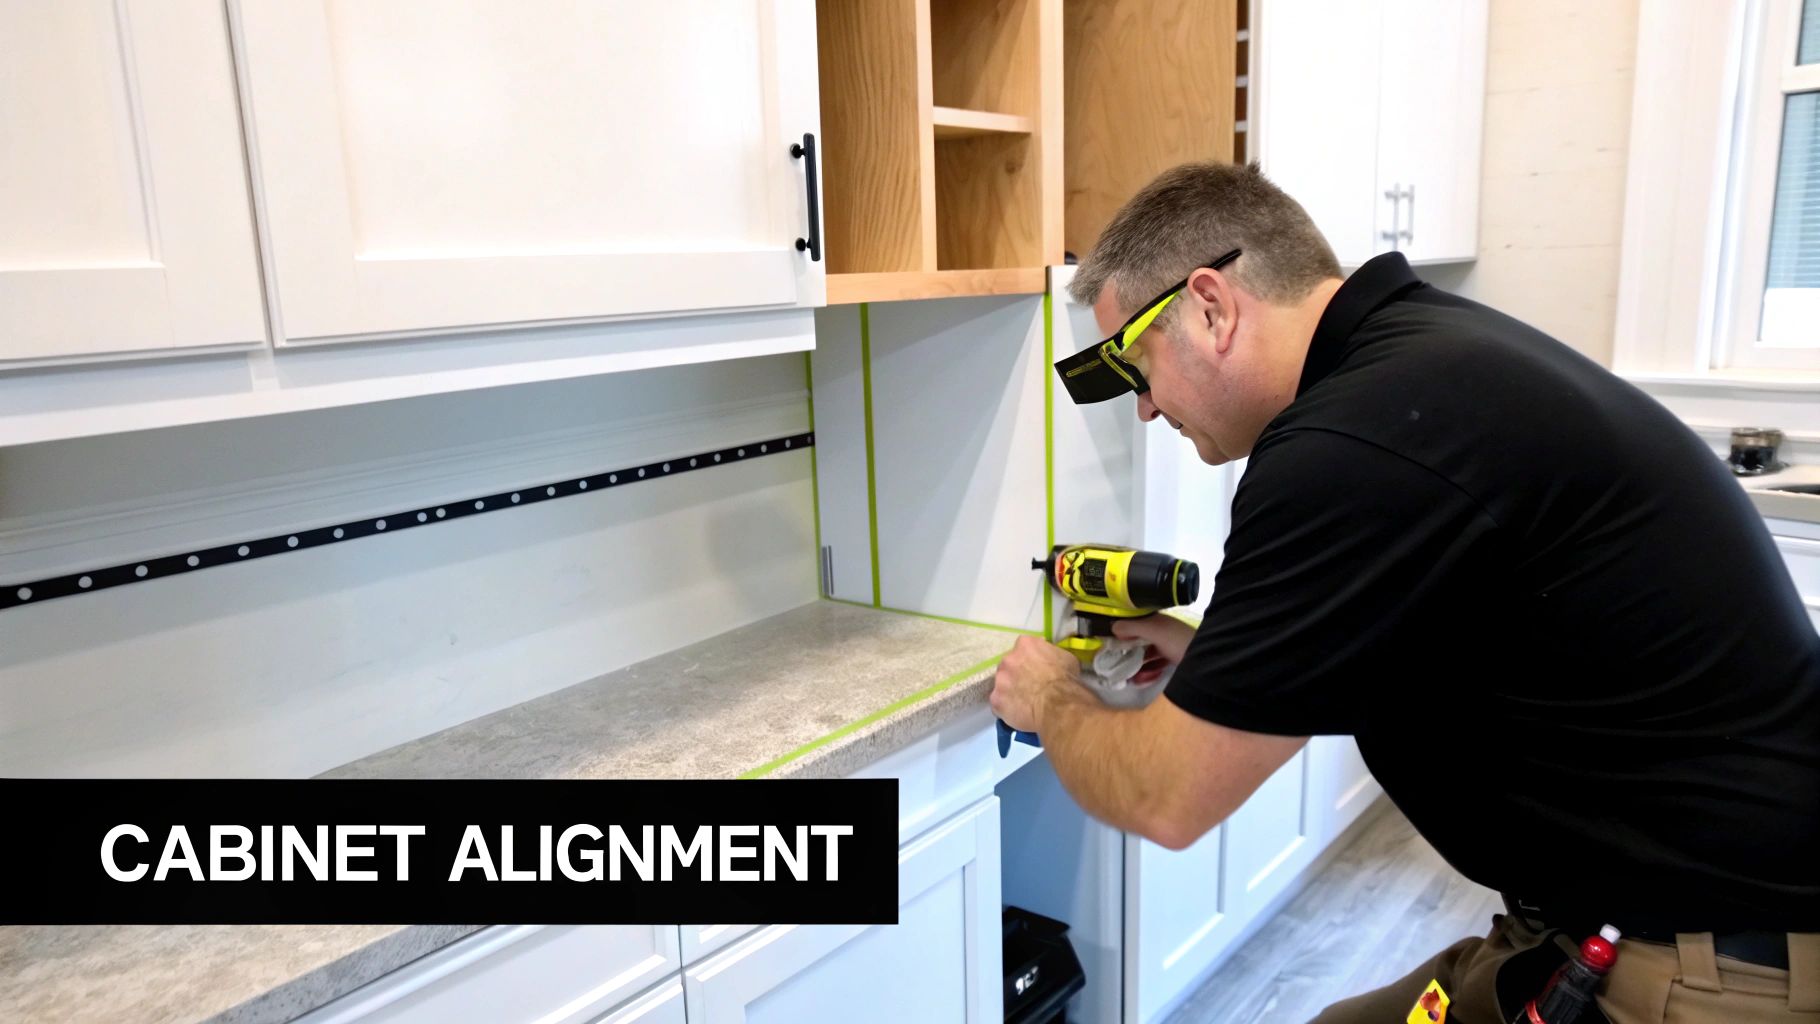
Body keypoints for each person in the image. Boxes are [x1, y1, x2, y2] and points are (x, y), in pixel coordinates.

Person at [988, 162, 1820, 1023]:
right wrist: (1211, 660)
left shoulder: (1347, 444)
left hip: (1709, 968)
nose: (1146, 409)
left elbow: (1162, 798)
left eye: (1134, 364)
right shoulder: (1420, 362)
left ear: (1210, 306)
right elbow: (1439, 652)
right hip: (1605, 920)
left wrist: (1051, 696)